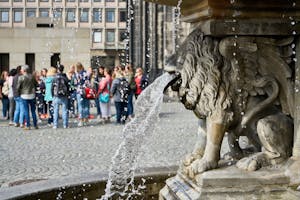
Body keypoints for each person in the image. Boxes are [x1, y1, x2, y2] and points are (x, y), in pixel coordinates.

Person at [17, 65, 38, 130]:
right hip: (32, 94)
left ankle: (28, 125)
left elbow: (18, 87)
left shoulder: (21, 77)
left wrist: (19, 93)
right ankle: (35, 125)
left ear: (24, 70)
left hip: (24, 95)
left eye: (22, 69)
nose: (21, 70)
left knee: (26, 111)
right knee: (33, 111)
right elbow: (36, 84)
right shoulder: (32, 76)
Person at [51, 65, 69, 129]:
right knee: (64, 111)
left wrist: (52, 95)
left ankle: (55, 125)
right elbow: (68, 86)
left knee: (55, 111)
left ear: (58, 70)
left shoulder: (54, 77)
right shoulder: (65, 77)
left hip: (56, 95)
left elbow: (52, 87)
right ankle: (65, 124)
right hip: (64, 95)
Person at [74, 62, 90, 126]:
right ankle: (86, 119)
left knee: (80, 106)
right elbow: (88, 82)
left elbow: (75, 83)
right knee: (86, 106)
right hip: (85, 90)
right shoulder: (85, 73)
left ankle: (81, 120)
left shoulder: (76, 74)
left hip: (79, 91)